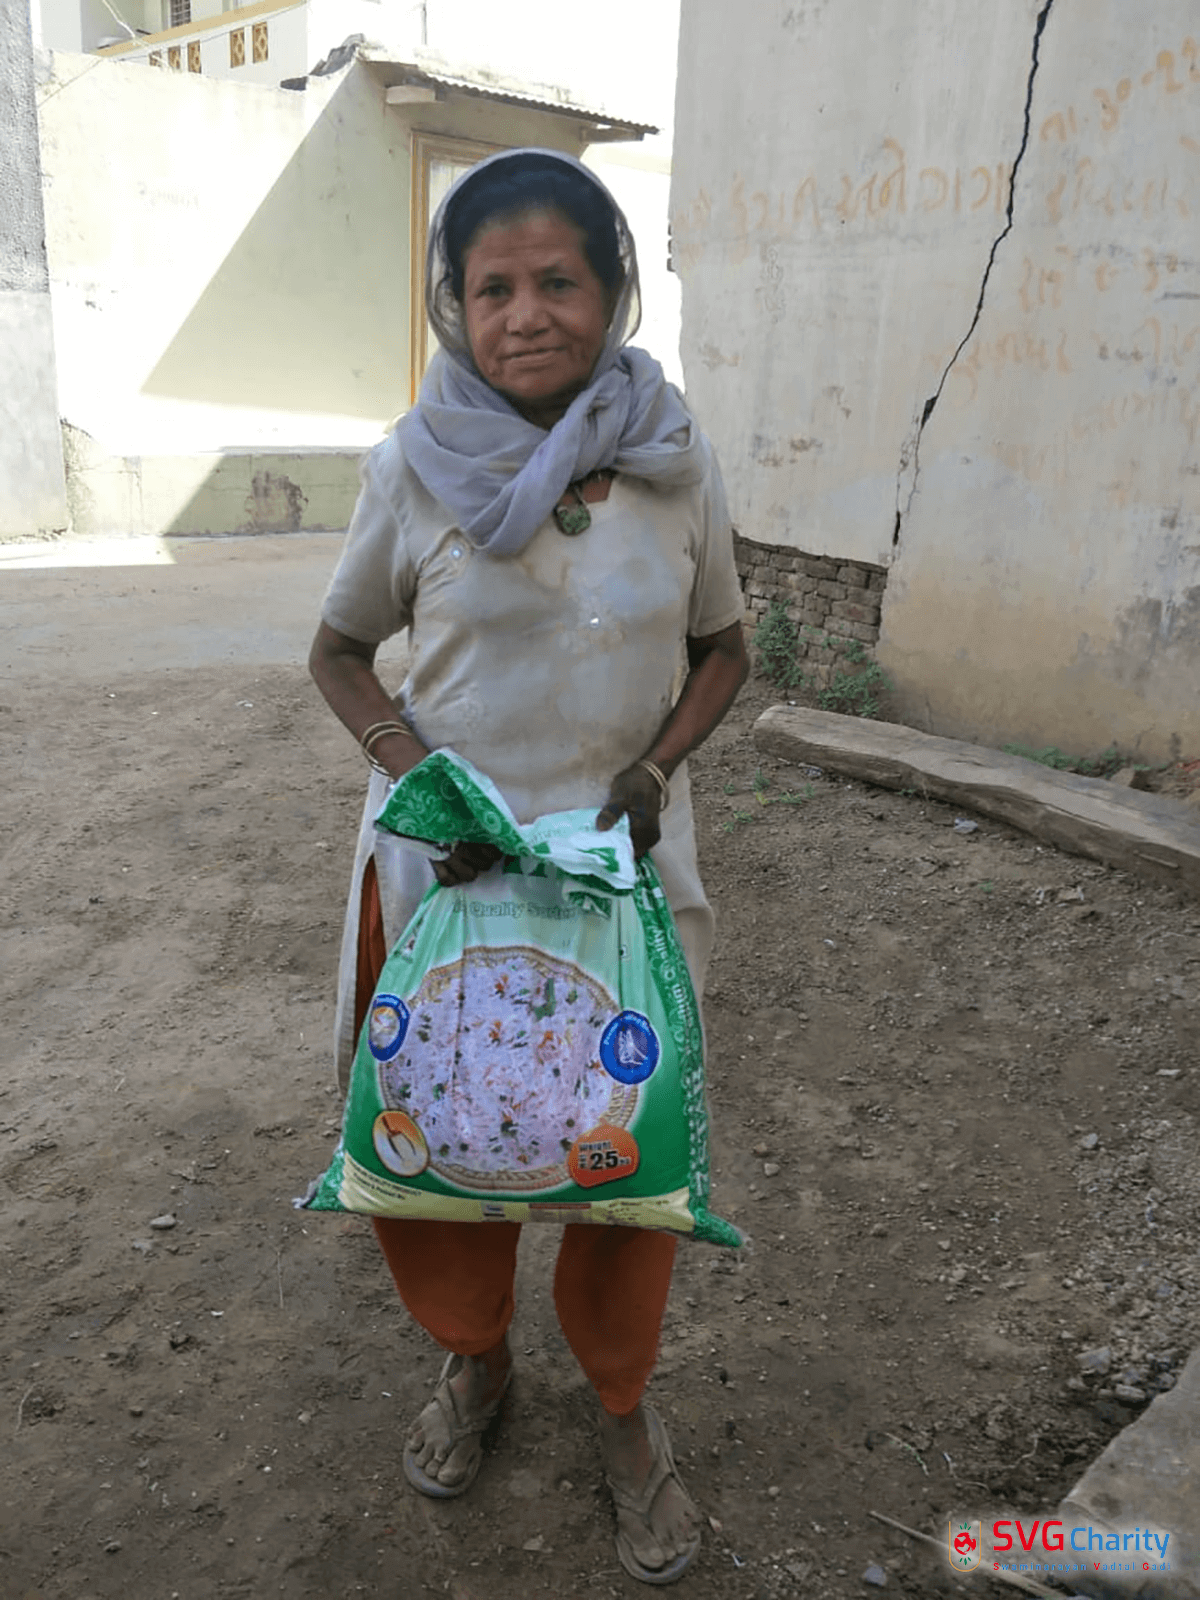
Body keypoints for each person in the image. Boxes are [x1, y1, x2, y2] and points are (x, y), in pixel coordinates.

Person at [309, 147, 747, 1585]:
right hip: (451, 882)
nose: (526, 313)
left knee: (625, 1150)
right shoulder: (412, 466)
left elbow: (724, 649)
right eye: (492, 286)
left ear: (614, 291)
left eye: (559, 279)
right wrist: (410, 772)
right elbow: (339, 651)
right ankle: (477, 1362)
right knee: (448, 1143)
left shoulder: (673, 459)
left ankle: (622, 1407)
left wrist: (653, 772)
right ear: (455, 306)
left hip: (624, 879)